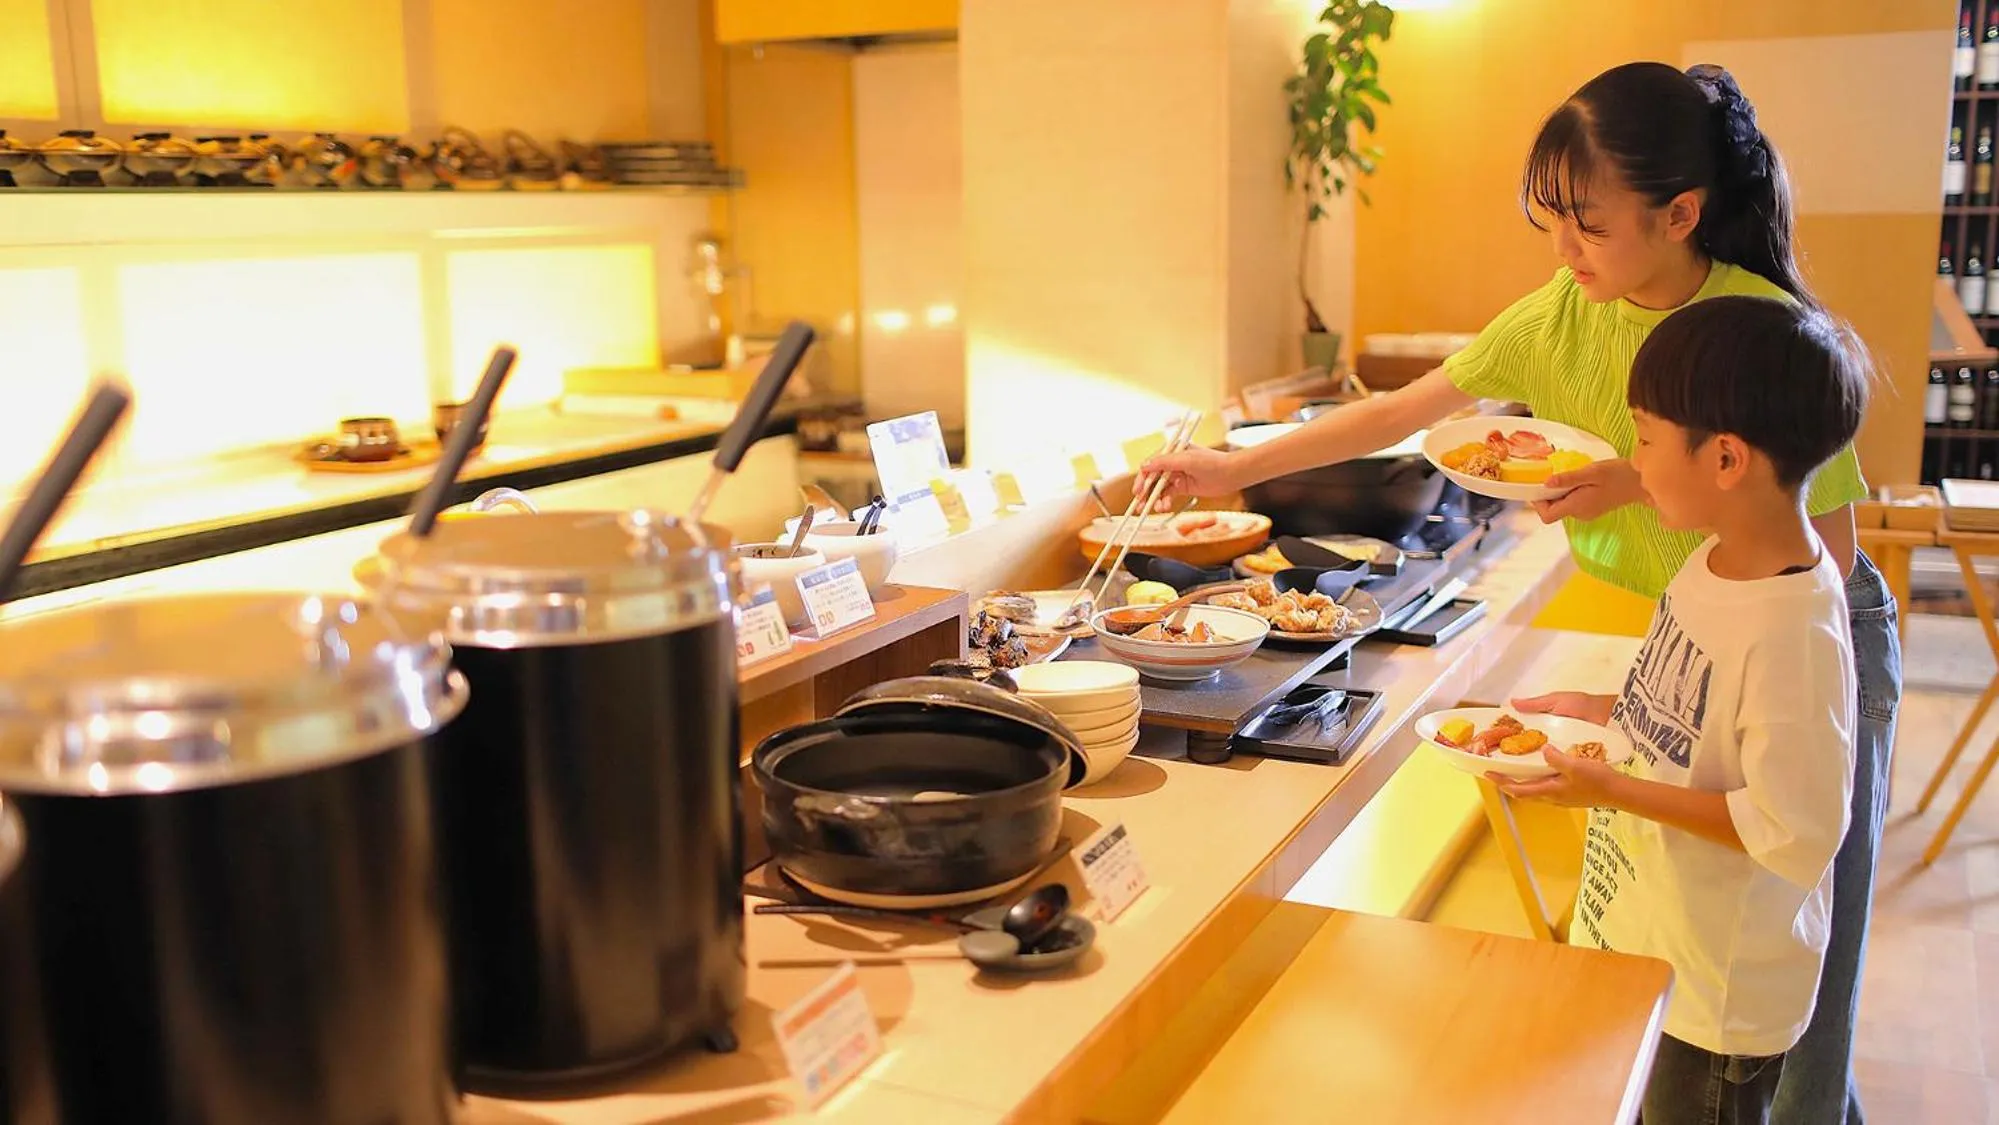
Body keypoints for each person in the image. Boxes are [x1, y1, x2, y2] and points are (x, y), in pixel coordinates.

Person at [1142, 61, 1901, 1123]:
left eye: (1586, 225)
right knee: (1701, 936)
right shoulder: (1563, 308)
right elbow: (1408, 407)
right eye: (1549, 222)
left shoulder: (1753, 333)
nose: (1563, 253)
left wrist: (1636, 479)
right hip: (1701, 620)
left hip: (1804, 632)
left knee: (1796, 941)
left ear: (1680, 213)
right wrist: (1232, 470)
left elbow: (1807, 552)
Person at [1494, 295, 1863, 1123]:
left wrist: (1611, 789)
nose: (1635, 461)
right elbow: (1692, 712)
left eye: (1647, 439)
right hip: (1652, 938)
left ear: (1726, 458)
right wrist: (1600, 712)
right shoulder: (1714, 560)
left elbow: (1791, 822)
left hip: (1712, 999)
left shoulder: (1793, 630)